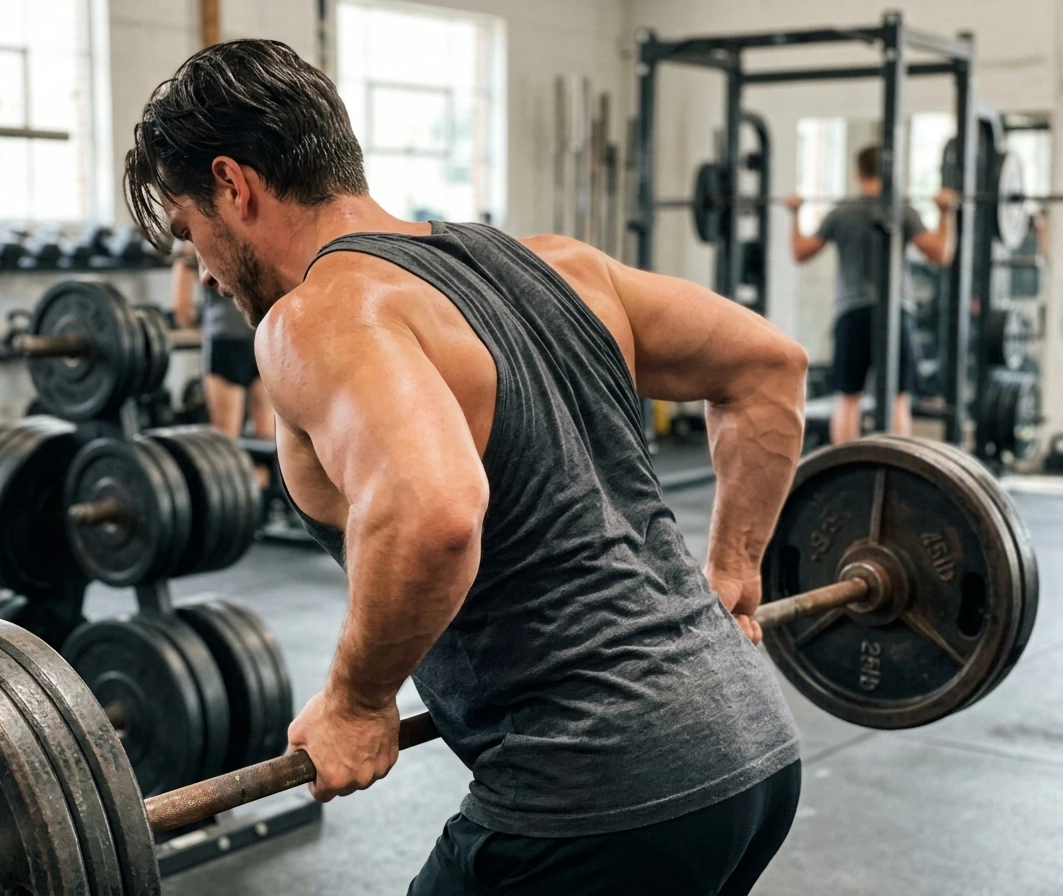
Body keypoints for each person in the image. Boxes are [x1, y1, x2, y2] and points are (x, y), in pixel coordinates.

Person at [127, 40, 807, 895]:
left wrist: (357, 701)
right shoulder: (559, 266)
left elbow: (433, 515)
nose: (203, 268)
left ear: (234, 184)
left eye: (190, 233)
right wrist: (734, 567)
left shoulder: (317, 316)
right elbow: (769, 367)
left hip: (594, 791)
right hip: (754, 755)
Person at [785, 145, 956, 443]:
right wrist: (946, 214)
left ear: (857, 173)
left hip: (852, 313)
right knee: (898, 398)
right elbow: (941, 254)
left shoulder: (842, 212)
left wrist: (795, 214)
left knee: (848, 398)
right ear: (890, 173)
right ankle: (898, 470)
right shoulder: (901, 209)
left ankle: (845, 471)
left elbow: (800, 252)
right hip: (895, 312)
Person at [171, 239, 274, 484]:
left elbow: (181, 308)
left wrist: (199, 323)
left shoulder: (192, 238)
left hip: (225, 340)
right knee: (266, 438)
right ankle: (261, 504)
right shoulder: (253, 231)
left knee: (226, 442)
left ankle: (235, 510)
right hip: (262, 336)